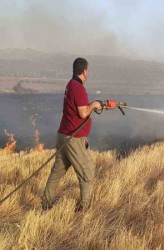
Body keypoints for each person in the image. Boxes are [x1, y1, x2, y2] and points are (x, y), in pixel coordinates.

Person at [41, 58, 117, 212]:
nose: (88, 73)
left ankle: (46, 203)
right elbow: (83, 113)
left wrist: (101, 104)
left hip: (63, 134)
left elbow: (80, 109)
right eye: (88, 70)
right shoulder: (78, 88)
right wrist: (95, 104)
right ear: (84, 71)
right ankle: (84, 210)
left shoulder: (71, 84)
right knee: (87, 173)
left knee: (57, 171)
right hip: (73, 139)